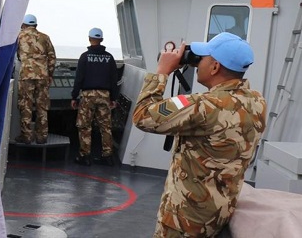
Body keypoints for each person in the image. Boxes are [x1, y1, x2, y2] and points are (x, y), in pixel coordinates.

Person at [133, 32, 266, 237]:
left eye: (202, 59)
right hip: (218, 212)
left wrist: (162, 71)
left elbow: (142, 116)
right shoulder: (257, 102)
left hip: (185, 220)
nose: (198, 63)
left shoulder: (202, 106)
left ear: (215, 67)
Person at [71, 27, 118, 166]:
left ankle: (84, 156)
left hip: (88, 95)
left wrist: (74, 97)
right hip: (105, 95)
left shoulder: (85, 56)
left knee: (85, 126)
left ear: (89, 39)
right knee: (106, 127)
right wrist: (113, 98)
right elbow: (114, 79)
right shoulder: (109, 57)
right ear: (102, 40)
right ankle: (107, 156)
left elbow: (79, 78)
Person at [15, 14, 56, 144]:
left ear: (24, 24)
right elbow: (52, 58)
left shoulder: (19, 36)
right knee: (42, 106)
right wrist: (50, 75)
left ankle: (26, 136)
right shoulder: (45, 37)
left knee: (25, 105)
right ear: (35, 25)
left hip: (26, 75)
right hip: (43, 76)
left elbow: (16, 55)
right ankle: (41, 136)